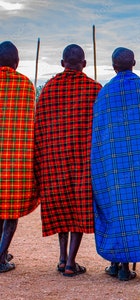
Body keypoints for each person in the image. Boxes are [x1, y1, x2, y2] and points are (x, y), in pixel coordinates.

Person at [91, 47, 140, 281]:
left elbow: (98, 136)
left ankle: (120, 265)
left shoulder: (105, 94)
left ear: (114, 66)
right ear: (134, 62)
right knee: (139, 210)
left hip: (113, 165)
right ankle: (124, 266)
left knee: (117, 208)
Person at [34, 44, 102, 277]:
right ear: (83, 64)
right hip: (83, 160)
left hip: (54, 160)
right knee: (78, 207)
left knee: (61, 206)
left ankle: (63, 257)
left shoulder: (49, 88)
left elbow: (39, 126)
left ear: (62, 63)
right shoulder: (94, 89)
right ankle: (71, 262)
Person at [0, 41, 39, 273]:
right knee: (10, 212)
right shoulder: (25, 86)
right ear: (16, 63)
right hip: (15, 162)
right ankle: (1, 257)